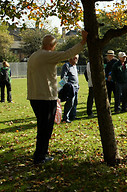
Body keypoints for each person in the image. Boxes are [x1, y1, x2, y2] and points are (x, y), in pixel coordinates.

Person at [27, 31, 87, 164]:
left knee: (43, 127)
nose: (54, 49)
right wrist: (82, 42)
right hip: (45, 97)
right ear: (50, 46)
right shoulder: (46, 55)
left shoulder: (34, 55)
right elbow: (67, 54)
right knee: (45, 128)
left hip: (35, 96)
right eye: (54, 46)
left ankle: (42, 152)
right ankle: (40, 156)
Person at [61, 54, 80, 123]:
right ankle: (65, 118)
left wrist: (78, 85)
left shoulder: (75, 66)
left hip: (76, 87)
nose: (76, 59)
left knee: (75, 103)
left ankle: (73, 116)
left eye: (77, 58)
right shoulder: (66, 66)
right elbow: (63, 77)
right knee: (69, 103)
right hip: (70, 88)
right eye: (74, 58)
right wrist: (66, 87)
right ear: (70, 58)